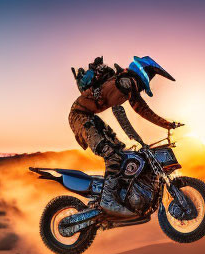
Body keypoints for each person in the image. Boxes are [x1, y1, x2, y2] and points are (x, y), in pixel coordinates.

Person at [69, 56, 181, 219]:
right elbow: (118, 111)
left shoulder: (129, 86)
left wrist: (168, 124)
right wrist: (135, 136)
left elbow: (145, 111)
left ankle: (120, 193)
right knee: (112, 155)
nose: (150, 79)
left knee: (122, 153)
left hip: (90, 118)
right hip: (81, 118)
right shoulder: (125, 82)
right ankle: (107, 200)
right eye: (150, 74)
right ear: (143, 70)